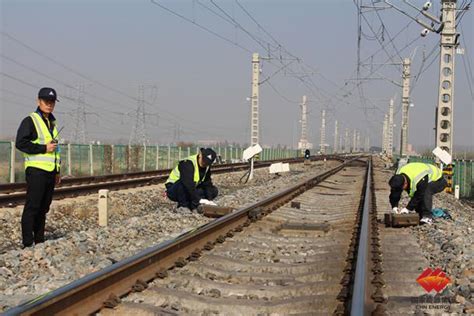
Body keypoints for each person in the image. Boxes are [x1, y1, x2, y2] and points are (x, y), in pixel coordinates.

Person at [15, 87, 61, 248]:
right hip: (36, 170)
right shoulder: (31, 120)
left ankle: (39, 240)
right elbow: (21, 143)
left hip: (49, 172)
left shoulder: (52, 123)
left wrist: (57, 171)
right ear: (38, 101)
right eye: (46, 101)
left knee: (44, 207)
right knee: (33, 206)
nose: (49, 104)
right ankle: (28, 243)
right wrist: (43, 148)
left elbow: (55, 150)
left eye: (52, 102)